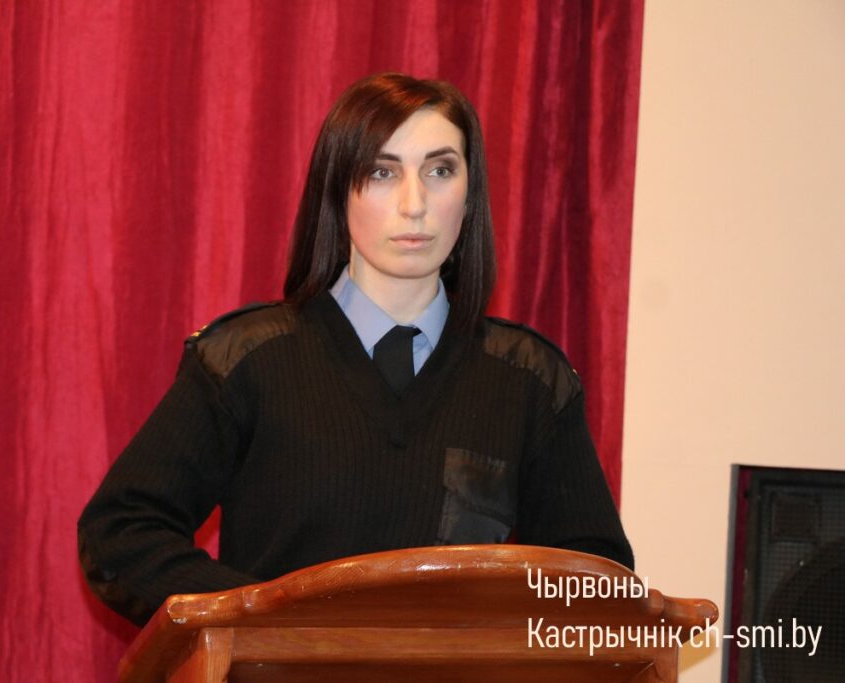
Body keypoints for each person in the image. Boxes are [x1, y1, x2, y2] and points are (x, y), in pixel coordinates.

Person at [78, 72, 633, 627]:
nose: (414, 203)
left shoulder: (529, 380)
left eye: (440, 171)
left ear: (470, 195)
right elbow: (120, 533)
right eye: (382, 172)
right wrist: (269, 623)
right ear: (339, 190)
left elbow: (595, 582)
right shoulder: (245, 361)